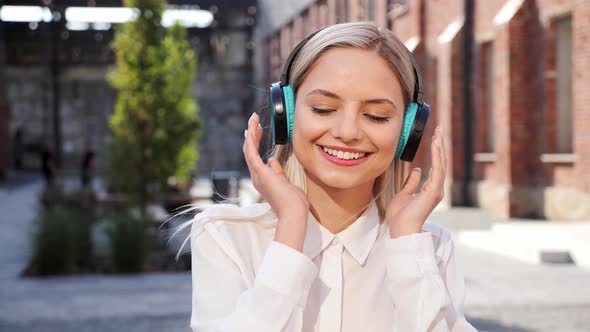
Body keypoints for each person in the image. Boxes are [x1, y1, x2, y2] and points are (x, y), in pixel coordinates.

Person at [176, 22, 478, 331]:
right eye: (322, 109)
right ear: (286, 114)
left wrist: (408, 250)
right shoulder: (225, 236)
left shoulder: (428, 247)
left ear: (407, 131)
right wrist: (291, 230)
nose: (347, 132)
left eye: (376, 116)